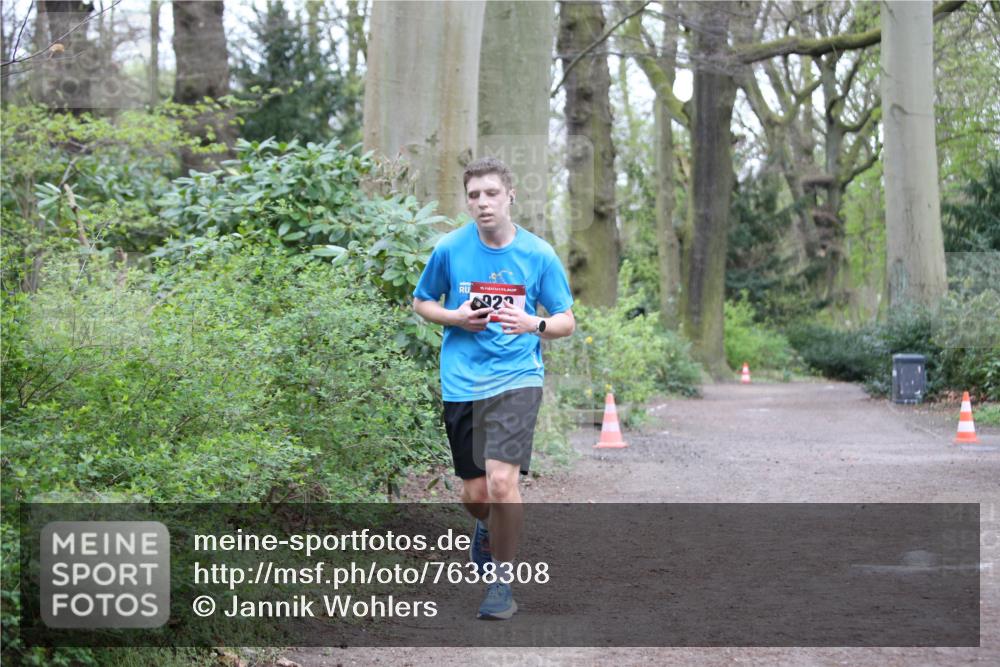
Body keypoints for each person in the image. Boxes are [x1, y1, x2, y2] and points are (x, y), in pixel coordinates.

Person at [412, 157, 575, 620]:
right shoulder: (450, 248)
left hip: (517, 378)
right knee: (477, 495)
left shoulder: (538, 254)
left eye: (491, 193)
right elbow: (422, 302)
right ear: (467, 202)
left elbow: (565, 320)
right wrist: (455, 317)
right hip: (463, 381)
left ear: (510, 196)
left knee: (503, 483)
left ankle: (502, 583)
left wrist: (533, 323)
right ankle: (485, 528)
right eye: (474, 195)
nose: (483, 203)